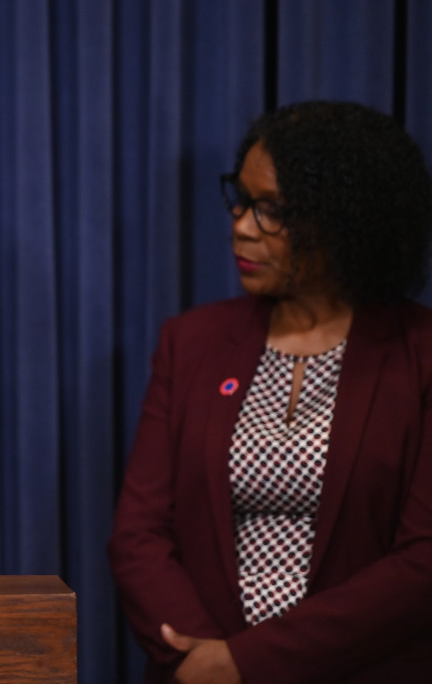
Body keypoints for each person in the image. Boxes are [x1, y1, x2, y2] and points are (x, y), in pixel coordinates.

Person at [108, 101, 432, 683]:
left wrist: (249, 663)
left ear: (344, 221)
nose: (241, 224)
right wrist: (200, 659)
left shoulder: (421, 354)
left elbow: (422, 562)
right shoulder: (193, 342)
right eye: (241, 199)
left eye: (271, 211)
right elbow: (139, 533)